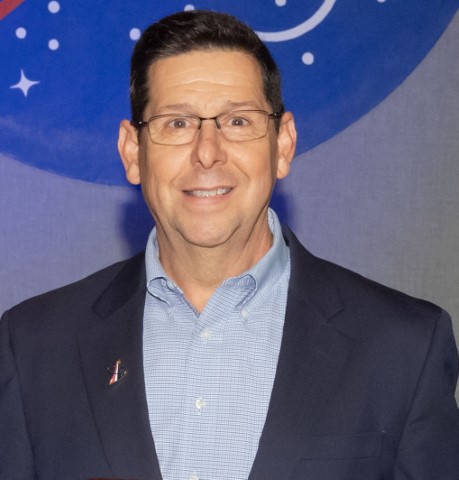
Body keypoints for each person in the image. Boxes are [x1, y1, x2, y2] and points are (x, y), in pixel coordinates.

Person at [1, 9, 458, 480]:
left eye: (238, 122)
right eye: (177, 124)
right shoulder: (33, 347)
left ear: (283, 145)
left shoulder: (402, 348)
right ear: (132, 153)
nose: (207, 152)